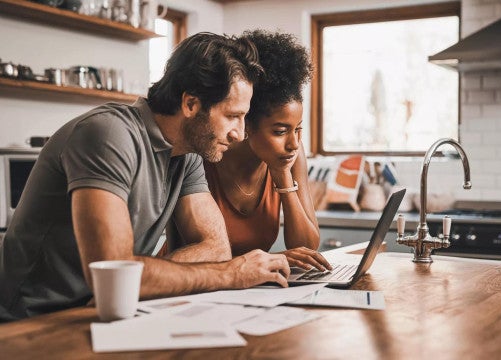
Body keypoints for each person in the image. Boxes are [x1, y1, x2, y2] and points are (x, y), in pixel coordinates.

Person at [0, 32, 290, 322]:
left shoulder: (187, 153)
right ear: (191, 104)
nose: (239, 133)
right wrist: (230, 274)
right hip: (31, 321)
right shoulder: (108, 135)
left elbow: (215, 248)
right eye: (231, 116)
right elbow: (114, 273)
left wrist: (142, 278)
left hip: (108, 311)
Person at [167, 30, 331, 271]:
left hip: (250, 288)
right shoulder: (203, 154)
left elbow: (307, 247)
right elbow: (184, 251)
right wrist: (269, 260)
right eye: (279, 131)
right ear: (246, 123)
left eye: (298, 129)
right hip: (190, 283)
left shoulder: (290, 156)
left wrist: (283, 177)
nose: (293, 143)